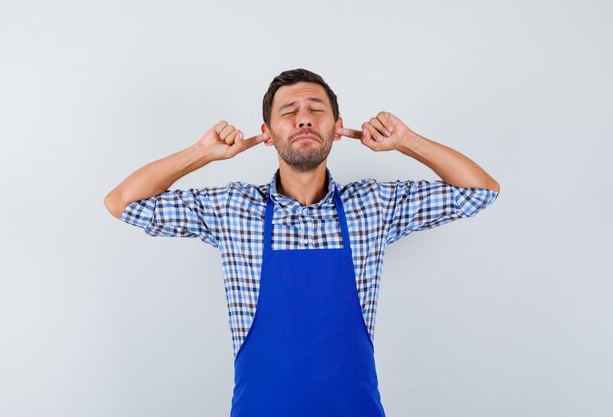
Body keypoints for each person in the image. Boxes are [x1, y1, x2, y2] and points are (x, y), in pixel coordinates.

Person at [104, 68, 500, 417]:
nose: (304, 120)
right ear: (267, 134)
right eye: (289, 113)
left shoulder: (374, 206)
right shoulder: (233, 209)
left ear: (337, 127)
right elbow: (122, 202)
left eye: (316, 110)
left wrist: (407, 141)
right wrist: (200, 154)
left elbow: (481, 190)